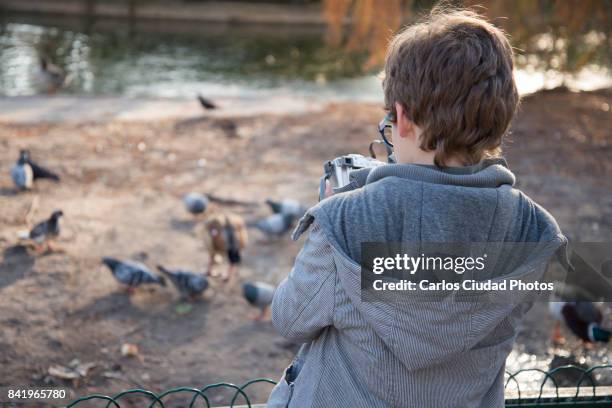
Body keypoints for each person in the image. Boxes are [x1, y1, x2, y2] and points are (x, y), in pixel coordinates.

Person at [267, 7, 566, 408]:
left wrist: (335, 215)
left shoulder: (345, 221)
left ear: (403, 118)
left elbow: (290, 318)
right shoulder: (537, 232)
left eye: (389, 122)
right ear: (503, 115)